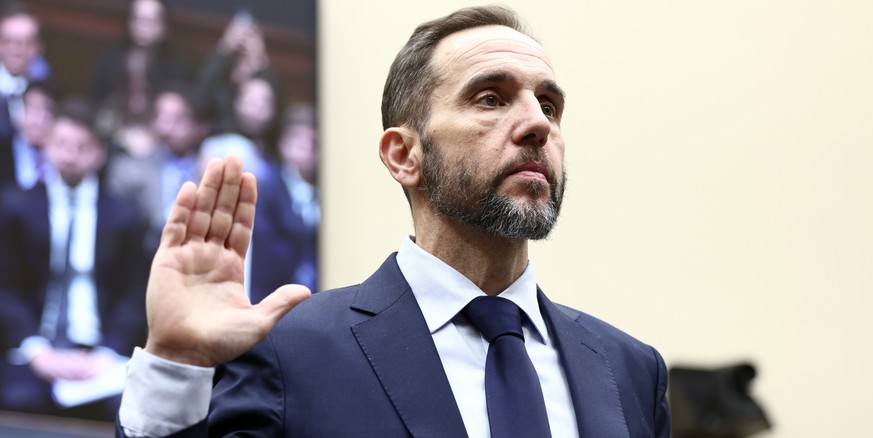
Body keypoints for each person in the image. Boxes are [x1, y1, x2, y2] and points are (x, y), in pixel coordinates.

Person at [118, 6, 670, 437]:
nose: (536, 125)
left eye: (549, 106)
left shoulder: (631, 371)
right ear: (404, 155)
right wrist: (177, 366)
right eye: (490, 98)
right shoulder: (291, 351)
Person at [0, 97, 149, 420]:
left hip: (102, 355)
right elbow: (6, 289)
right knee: (19, 399)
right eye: (61, 144)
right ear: (47, 146)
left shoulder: (124, 216)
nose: (68, 156)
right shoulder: (16, 209)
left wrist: (108, 352)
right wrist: (37, 350)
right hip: (35, 349)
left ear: (99, 153)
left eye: (81, 147)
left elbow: (135, 295)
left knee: (131, 410)